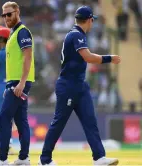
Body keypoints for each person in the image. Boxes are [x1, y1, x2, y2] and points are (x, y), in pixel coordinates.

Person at [39, 6, 120, 165]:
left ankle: (99, 158)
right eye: (92, 20)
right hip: (68, 85)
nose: (92, 24)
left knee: (90, 121)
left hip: (79, 85)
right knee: (59, 123)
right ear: (89, 20)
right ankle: (45, 160)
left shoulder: (77, 35)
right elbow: (88, 57)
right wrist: (109, 58)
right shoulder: (76, 35)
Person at [0, 1, 35, 165]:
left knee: (3, 117)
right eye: (4, 15)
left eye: (9, 14)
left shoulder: (22, 32)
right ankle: (24, 158)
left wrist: (21, 83)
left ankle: (2, 158)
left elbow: (28, 57)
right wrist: (10, 83)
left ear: (17, 12)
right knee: (21, 120)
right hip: (15, 82)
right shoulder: (14, 33)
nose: (6, 18)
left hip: (20, 82)